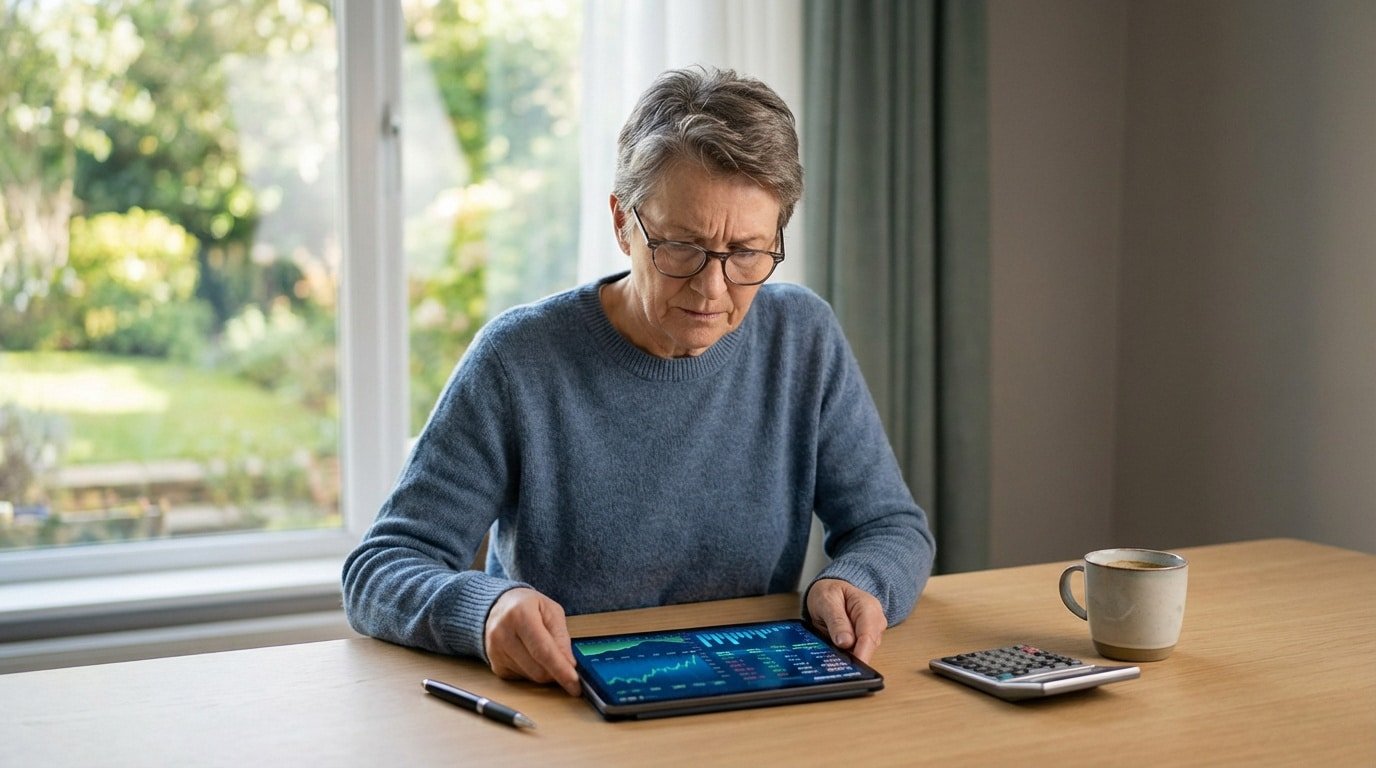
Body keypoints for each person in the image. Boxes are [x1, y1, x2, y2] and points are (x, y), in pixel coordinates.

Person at [341, 66, 935, 697]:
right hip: (569, 708)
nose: (713, 289)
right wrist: (483, 610)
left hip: (755, 696)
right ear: (623, 221)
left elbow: (891, 527)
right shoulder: (518, 359)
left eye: (747, 253)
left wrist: (859, 581)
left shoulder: (802, 337)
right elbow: (381, 568)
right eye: (681, 246)